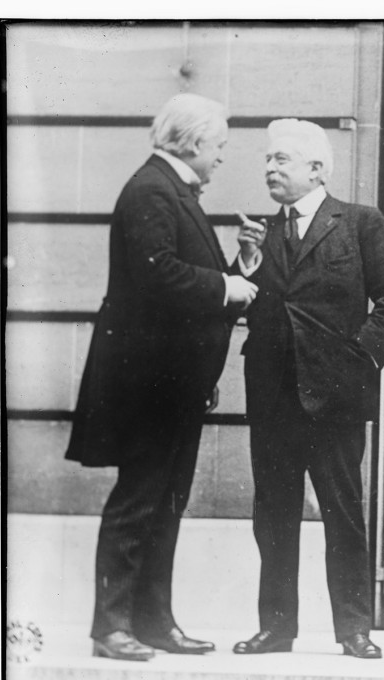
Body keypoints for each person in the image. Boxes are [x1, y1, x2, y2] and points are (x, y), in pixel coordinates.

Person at [65, 93, 259, 661]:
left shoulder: (166, 190)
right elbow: (161, 277)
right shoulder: (153, 190)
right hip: (149, 383)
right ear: (195, 143)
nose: (222, 157)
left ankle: (151, 621)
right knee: (140, 498)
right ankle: (111, 628)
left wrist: (240, 266)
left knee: (164, 500)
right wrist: (228, 287)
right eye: (219, 146)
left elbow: (181, 282)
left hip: (170, 381)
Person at [232, 119, 384, 659]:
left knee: (342, 511)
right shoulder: (260, 232)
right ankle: (277, 627)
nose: (270, 168)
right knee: (273, 515)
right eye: (268, 159)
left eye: (281, 159)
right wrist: (245, 263)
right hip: (273, 397)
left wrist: (357, 360)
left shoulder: (358, 223)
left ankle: (354, 629)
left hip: (334, 397)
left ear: (316, 169)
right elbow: (243, 302)